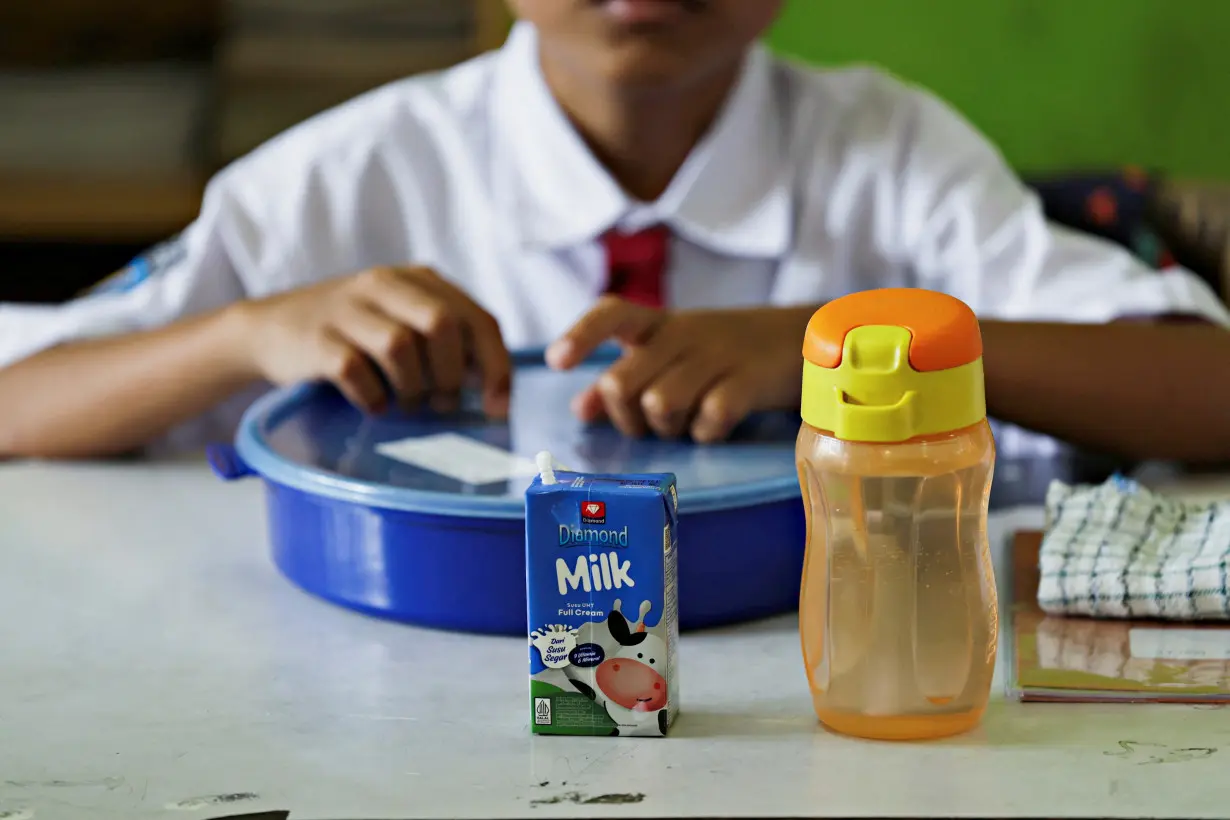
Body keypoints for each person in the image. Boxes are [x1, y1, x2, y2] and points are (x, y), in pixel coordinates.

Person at [0, 0, 1227, 463]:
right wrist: (243, 333)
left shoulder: (885, 150)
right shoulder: (351, 173)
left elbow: (1205, 385)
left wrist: (848, 343)